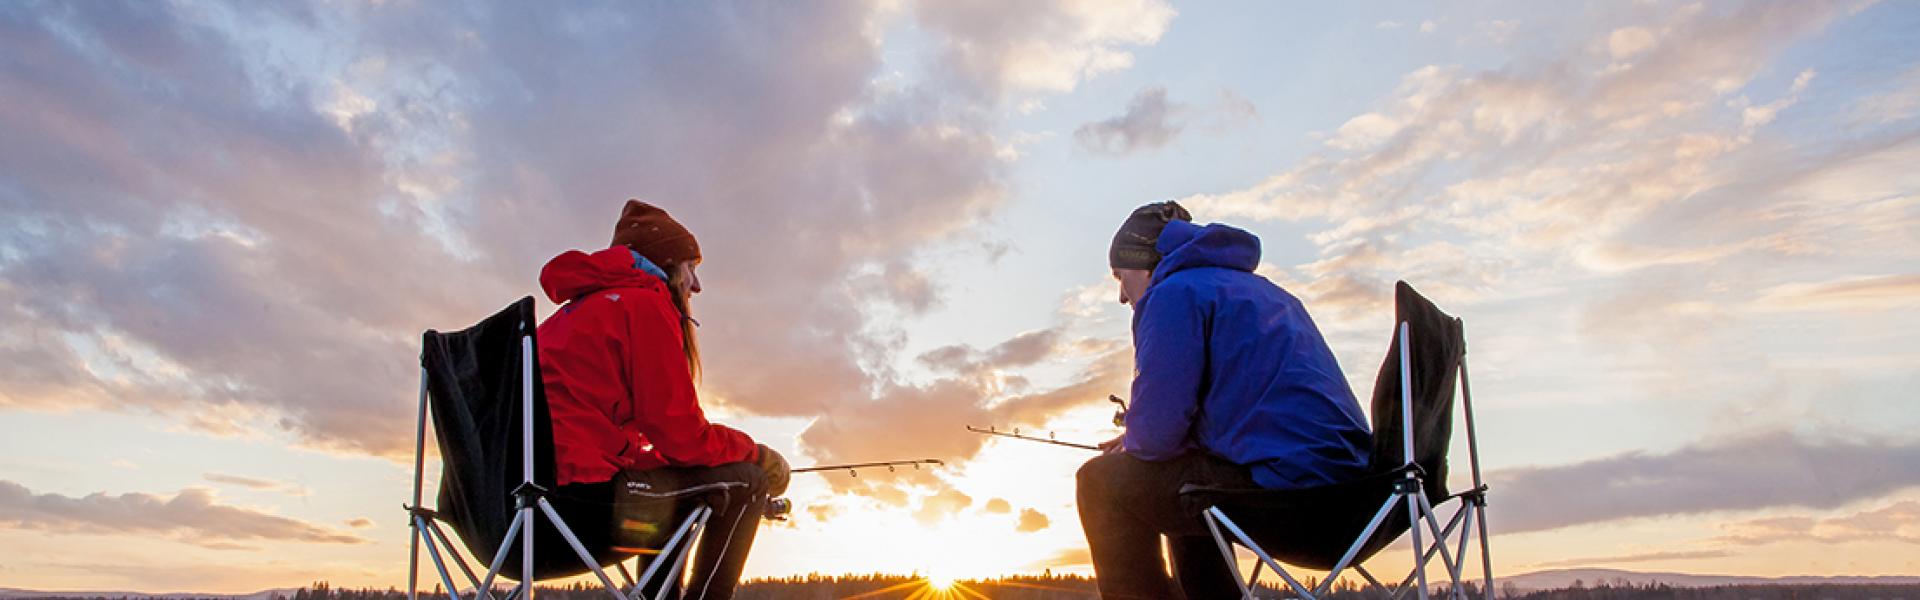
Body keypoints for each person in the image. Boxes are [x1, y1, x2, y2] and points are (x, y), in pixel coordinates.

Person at [1077, 201, 1374, 599]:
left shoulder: (1172, 295)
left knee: (1099, 482)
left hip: (1296, 501)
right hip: (1359, 496)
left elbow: (1158, 436)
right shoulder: (1265, 292)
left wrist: (1134, 442)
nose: (1120, 295)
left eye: (1119, 276)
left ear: (1143, 262)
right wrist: (1144, 442)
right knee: (1184, 486)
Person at [536, 199, 790, 600]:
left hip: (508, 514)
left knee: (673, 485)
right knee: (749, 481)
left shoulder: (568, 317)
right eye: (691, 268)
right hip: (573, 507)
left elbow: (612, 441)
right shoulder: (644, 305)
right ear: (668, 265)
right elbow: (683, 437)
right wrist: (756, 453)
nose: (696, 286)